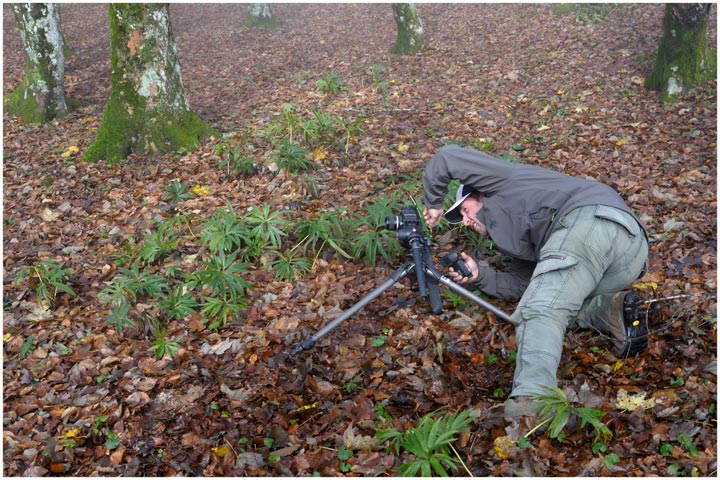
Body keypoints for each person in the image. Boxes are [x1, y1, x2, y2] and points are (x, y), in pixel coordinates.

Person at [422, 144, 649, 418]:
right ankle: (609, 310)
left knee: (540, 309)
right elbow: (523, 286)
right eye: (459, 219)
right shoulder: (517, 241)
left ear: (478, 194)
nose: (466, 220)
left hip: (588, 220)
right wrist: (480, 276)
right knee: (552, 301)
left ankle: (532, 405)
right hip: (628, 255)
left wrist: (434, 203)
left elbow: (447, 158)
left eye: (465, 210)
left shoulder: (503, 182)